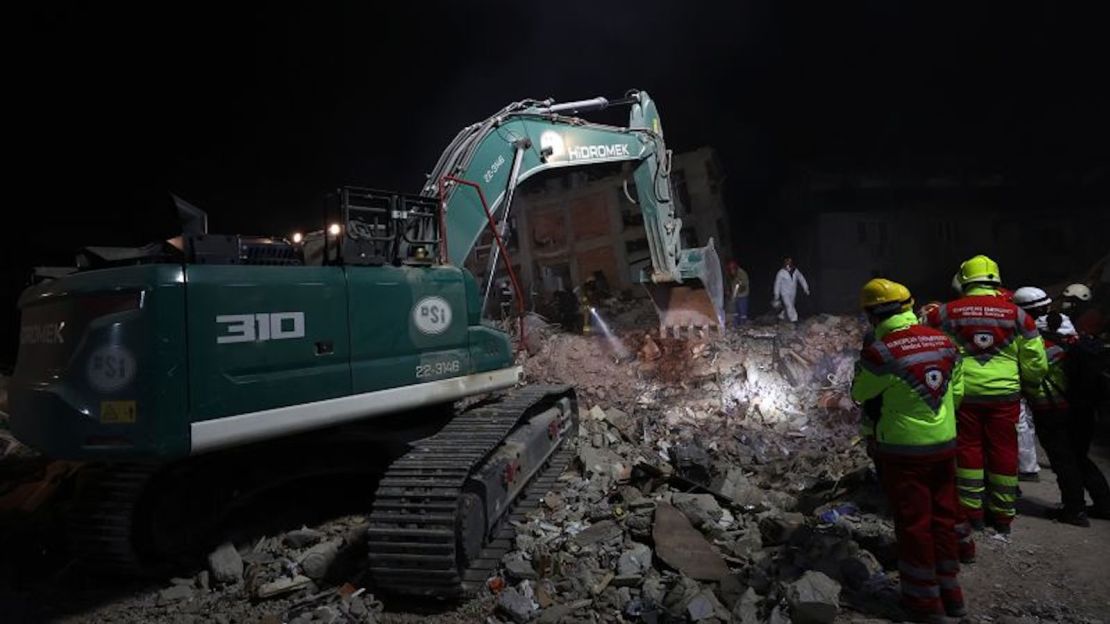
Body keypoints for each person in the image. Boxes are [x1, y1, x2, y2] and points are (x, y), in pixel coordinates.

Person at [851, 278, 966, 622]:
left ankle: (923, 604)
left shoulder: (881, 352)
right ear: (909, 305)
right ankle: (953, 595)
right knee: (944, 518)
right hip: (944, 446)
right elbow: (956, 391)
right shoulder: (946, 342)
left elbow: (861, 392)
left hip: (903, 452)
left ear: (872, 316)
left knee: (914, 525)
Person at [925, 255, 1048, 543]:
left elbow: (930, 349)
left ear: (964, 280)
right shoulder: (1018, 315)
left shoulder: (943, 314)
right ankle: (1003, 516)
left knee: (968, 450)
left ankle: (973, 515)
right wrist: (1029, 384)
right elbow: (1035, 361)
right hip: (1005, 395)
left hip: (964, 394)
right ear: (996, 279)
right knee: (1004, 449)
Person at [1013, 286, 1110, 526]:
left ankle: (1074, 510)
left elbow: (1033, 373)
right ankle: (1105, 504)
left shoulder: (1036, 340)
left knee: (1063, 460)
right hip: (1084, 406)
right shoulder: (1068, 329)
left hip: (1054, 409)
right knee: (1080, 457)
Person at [773, 256, 810, 323]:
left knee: (791, 305)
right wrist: (776, 295)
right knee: (789, 305)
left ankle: (781, 316)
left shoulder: (795, 271)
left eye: (789, 262)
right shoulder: (781, 272)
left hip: (793, 292)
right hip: (784, 292)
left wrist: (806, 288)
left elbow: (801, 279)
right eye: (787, 262)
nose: (788, 263)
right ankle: (794, 320)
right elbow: (777, 284)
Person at [727, 260, 750, 326]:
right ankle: (736, 325)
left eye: (733, 269)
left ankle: (743, 325)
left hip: (742, 295)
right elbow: (731, 284)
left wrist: (739, 286)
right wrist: (731, 293)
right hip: (735, 295)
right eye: (730, 270)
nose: (732, 271)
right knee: (735, 312)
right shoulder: (730, 275)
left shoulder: (742, 273)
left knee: (743, 313)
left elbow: (744, 286)